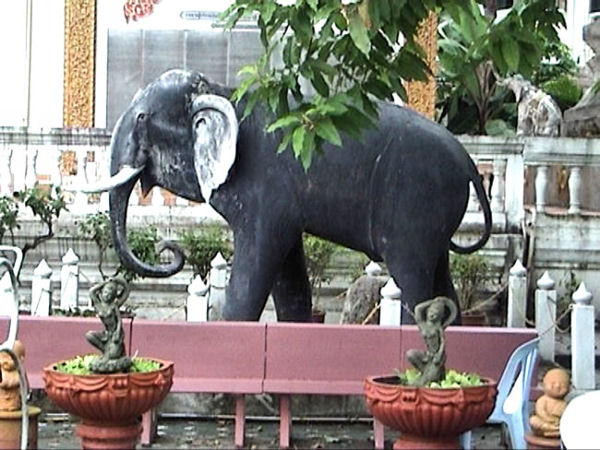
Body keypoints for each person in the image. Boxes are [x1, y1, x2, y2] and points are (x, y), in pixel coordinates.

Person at [406, 296, 457, 386]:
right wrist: (432, 302)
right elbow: (417, 309)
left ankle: (429, 375)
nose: (432, 315)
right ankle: (424, 371)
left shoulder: (438, 328)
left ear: (439, 317)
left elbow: (443, 342)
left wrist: (439, 355)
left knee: (431, 379)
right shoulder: (423, 325)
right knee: (410, 354)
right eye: (431, 311)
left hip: (437, 357)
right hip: (428, 355)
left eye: (435, 313)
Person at [86, 276, 132, 372]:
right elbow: (91, 292)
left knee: (113, 356)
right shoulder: (98, 305)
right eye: (106, 292)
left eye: (111, 294)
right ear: (101, 292)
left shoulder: (114, 305)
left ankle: (112, 353)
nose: (108, 296)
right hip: (106, 334)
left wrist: (116, 280)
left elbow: (126, 290)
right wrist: (104, 283)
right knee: (89, 335)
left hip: (116, 334)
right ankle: (105, 351)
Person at [529, 368, 570, 438]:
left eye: (563, 384)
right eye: (553, 383)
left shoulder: (565, 404)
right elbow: (540, 412)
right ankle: (550, 429)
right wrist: (549, 419)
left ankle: (555, 431)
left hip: (558, 424)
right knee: (533, 420)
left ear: (569, 388)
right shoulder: (543, 400)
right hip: (544, 422)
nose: (557, 386)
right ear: (543, 385)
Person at [0, 340, 26, 411]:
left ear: (21, 359)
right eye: (2, 358)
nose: (5, 361)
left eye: (9, 358)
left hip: (14, 400)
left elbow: (21, 384)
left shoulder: (19, 372)